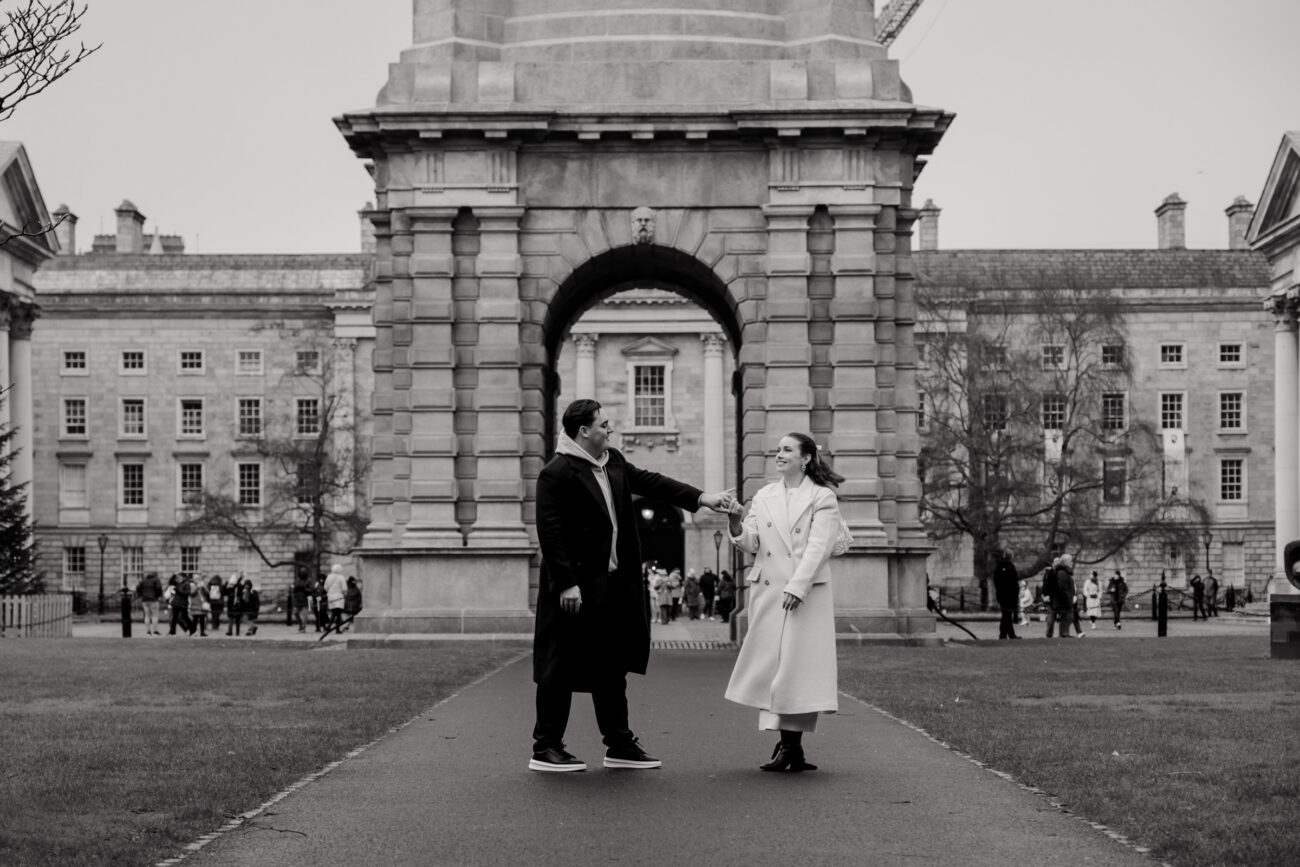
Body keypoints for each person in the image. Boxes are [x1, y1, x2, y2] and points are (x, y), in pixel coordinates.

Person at [529, 399, 730, 773]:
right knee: (559, 665)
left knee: (611, 665)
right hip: (573, 589)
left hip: (611, 587)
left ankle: (619, 744)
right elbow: (550, 533)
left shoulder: (614, 461)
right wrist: (567, 584)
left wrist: (702, 499)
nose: (610, 429)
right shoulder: (556, 473)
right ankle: (546, 747)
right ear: (584, 431)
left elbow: (653, 482)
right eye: (603, 424)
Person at [724, 432, 844, 772]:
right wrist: (734, 521)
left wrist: (798, 587)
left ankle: (790, 746)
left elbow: (819, 548)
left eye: (787, 450)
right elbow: (751, 542)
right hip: (769, 590)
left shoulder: (822, 498)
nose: (779, 454)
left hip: (805, 594)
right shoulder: (764, 496)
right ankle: (790, 747)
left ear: (805, 458)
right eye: (778, 449)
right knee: (776, 668)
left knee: (797, 669)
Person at [992, 549, 1020, 640]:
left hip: (1001, 594)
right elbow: (1014, 583)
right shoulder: (1010, 567)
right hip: (1010, 595)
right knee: (1007, 615)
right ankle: (1004, 634)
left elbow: (996, 581)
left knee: (1006, 615)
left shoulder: (998, 567)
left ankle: (1009, 634)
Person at [1048, 556, 1075, 638]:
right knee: (1066, 617)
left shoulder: (1064, 572)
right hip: (1063, 600)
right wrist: (1068, 599)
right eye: (1070, 561)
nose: (1072, 563)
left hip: (1065, 599)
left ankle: (1064, 633)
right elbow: (1063, 588)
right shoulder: (1062, 573)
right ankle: (1064, 634)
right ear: (1065, 562)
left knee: (1068, 617)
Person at [135, 571, 163, 635]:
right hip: (153, 599)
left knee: (147, 615)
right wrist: (158, 596)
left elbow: (137, 588)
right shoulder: (156, 579)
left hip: (145, 599)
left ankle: (148, 631)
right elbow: (159, 588)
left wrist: (141, 595)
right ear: (156, 575)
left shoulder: (144, 580)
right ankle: (155, 631)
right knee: (154, 615)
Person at [324, 564, 348, 632]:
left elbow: (325, 587)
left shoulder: (329, 577)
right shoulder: (341, 577)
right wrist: (344, 594)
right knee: (338, 613)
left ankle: (331, 626)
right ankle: (335, 628)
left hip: (331, 597)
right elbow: (344, 588)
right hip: (339, 597)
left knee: (334, 612)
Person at [1040, 565, 1059, 638]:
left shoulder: (1050, 576)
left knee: (1051, 618)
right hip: (1050, 599)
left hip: (1051, 598)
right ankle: (1049, 633)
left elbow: (1049, 587)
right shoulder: (1047, 576)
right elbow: (1045, 587)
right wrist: (1044, 595)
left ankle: (1050, 633)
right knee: (1051, 618)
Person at [292, 568, 311, 633]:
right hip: (297, 599)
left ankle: (303, 627)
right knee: (295, 613)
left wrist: (304, 589)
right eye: (301, 572)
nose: (302, 573)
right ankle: (300, 624)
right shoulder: (297, 580)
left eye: (303, 572)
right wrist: (295, 589)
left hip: (305, 599)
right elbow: (293, 588)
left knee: (305, 615)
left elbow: (311, 590)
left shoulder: (309, 580)